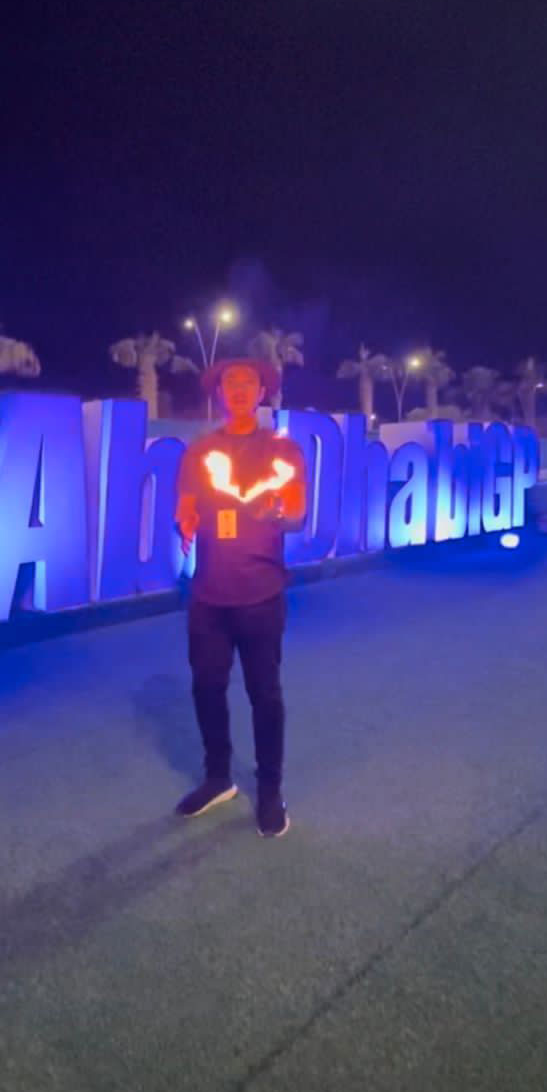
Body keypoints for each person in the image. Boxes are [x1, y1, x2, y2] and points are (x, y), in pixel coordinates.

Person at [173, 358, 308, 837]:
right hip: (209, 594)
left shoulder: (282, 449)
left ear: (262, 392)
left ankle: (270, 790)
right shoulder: (201, 451)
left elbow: (297, 514)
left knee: (264, 694)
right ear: (219, 392)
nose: (238, 388)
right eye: (230, 382)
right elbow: (186, 505)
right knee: (206, 687)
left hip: (261, 592)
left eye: (248, 382)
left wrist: (278, 513)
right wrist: (186, 523)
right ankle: (218, 778)